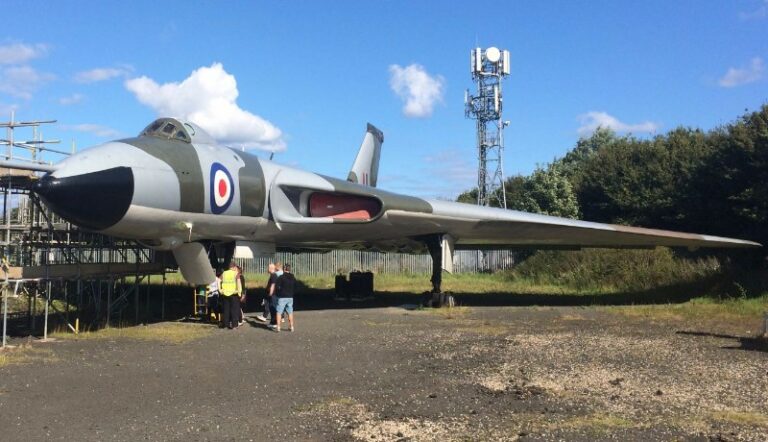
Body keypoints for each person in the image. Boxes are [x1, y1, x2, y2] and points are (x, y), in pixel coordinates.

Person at [219, 261, 242, 329]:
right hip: (234, 294)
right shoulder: (236, 273)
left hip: (225, 294)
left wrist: (220, 290)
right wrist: (239, 292)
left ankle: (226, 325)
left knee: (226, 310)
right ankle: (234, 325)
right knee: (234, 310)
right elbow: (238, 283)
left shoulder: (224, 273)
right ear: (234, 267)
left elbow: (218, 280)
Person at [274, 263, 296, 332]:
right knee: (290, 312)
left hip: (282, 297)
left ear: (284, 269)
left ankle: (278, 326)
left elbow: (277, 287)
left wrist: (278, 293)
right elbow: (296, 286)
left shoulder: (281, 277)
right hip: (290, 297)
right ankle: (291, 326)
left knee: (279, 312)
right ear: (289, 269)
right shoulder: (293, 277)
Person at [266, 262, 284, 330]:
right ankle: (273, 322)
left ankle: (274, 323)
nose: (267, 269)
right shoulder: (274, 275)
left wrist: (270, 293)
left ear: (271, 268)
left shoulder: (273, 275)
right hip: (274, 294)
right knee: (272, 308)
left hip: (273, 294)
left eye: (268, 267)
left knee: (273, 308)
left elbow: (273, 285)